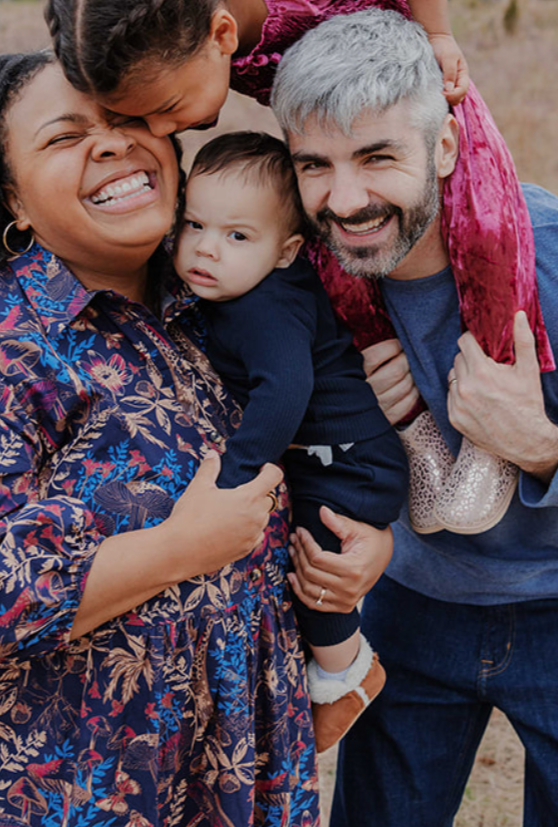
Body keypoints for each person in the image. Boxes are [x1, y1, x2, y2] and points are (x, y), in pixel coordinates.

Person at [0, 52, 321, 827]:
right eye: (65, 135)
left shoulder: (210, 295)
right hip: (57, 786)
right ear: (13, 198)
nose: (110, 144)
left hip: (221, 767)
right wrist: (183, 547)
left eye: (128, 119)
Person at [270, 10, 558, 826]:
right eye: (314, 164)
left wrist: (538, 447)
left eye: (378, 156)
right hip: (412, 604)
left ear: (447, 147)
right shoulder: (313, 277)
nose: (344, 198)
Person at [43, 0, 553, 534]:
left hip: (415, 115)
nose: (163, 128)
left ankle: (491, 418)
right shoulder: (187, 35)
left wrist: (439, 33)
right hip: (337, 144)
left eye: (166, 106)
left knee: (488, 233)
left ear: (222, 35)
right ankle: (413, 430)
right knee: (334, 269)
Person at [174, 130, 408, 751]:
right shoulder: (240, 287)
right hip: (326, 456)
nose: (206, 250)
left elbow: (283, 391)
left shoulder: (266, 308)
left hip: (349, 464)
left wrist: (238, 473)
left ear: (287, 252)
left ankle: (346, 672)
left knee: (317, 567)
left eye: (237, 236)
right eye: (194, 225)